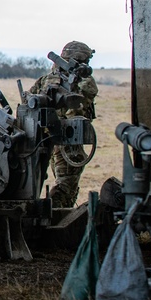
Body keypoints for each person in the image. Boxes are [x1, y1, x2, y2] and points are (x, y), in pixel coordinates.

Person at [28, 40, 98, 208]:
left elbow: (29, 99)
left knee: (39, 184)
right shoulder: (83, 81)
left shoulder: (47, 80)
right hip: (67, 143)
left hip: (44, 139)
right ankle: (56, 217)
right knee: (66, 188)